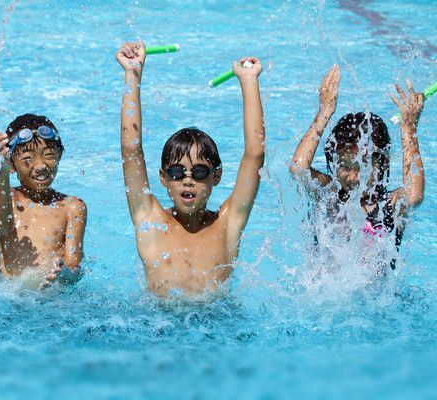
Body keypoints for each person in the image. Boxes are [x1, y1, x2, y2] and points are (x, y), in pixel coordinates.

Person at [116, 41, 266, 297]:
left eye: (199, 172)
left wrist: (249, 81)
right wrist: (132, 75)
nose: (187, 180)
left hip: (215, 328)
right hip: (158, 328)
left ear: (216, 176)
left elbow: (255, 155)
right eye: (177, 172)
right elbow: (131, 150)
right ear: (163, 178)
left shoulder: (227, 223)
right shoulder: (150, 219)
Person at [290, 65, 425, 270]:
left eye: (362, 167)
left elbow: (414, 195)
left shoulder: (391, 204)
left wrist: (408, 129)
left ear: (382, 164)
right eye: (344, 166)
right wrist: (324, 112)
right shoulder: (327, 192)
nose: (353, 177)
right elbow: (298, 169)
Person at [0, 114, 86, 288]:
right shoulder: (7, 198)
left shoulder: (72, 207)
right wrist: (0, 167)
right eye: (28, 158)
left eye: (48, 155)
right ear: (11, 164)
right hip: (9, 296)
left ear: (60, 155)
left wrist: (63, 273)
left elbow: (74, 268)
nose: (40, 166)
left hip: (52, 297)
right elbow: (1, 225)